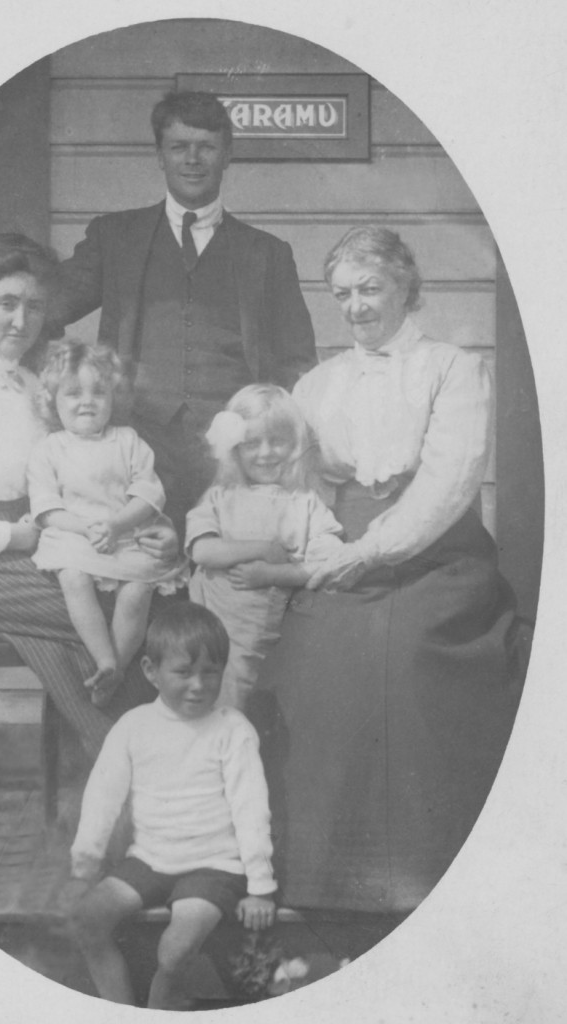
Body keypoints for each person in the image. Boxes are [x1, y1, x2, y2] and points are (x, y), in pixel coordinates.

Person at [250, 226, 522, 916]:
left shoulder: (453, 368)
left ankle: (429, 874)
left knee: (409, 659)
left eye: (370, 289)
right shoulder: (318, 383)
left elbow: (449, 484)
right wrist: (325, 544)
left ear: (405, 286)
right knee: (317, 659)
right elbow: (299, 483)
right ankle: (323, 881)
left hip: (438, 558)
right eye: (342, 294)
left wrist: (369, 552)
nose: (357, 307)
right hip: (342, 550)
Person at [0, 234, 177, 764]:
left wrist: (137, 526)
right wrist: (13, 536)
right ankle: (144, 775)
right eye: (7, 303)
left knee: (83, 626)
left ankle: (117, 770)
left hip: (35, 549)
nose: (22, 321)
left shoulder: (35, 387)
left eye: (35, 306)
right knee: (114, 605)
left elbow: (78, 481)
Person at [54, 90, 316, 535]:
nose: (192, 159)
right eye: (179, 147)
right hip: (137, 440)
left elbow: (298, 360)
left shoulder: (267, 254)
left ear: (227, 155)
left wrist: (262, 431)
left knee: (224, 569)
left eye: (206, 147)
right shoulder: (117, 237)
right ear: (160, 155)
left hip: (234, 448)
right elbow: (47, 305)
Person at [63, 602, 277, 1010]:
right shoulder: (133, 727)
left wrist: (261, 888)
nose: (198, 685)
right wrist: (84, 865)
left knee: (175, 949)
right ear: (150, 671)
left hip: (214, 865)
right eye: (183, 672)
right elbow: (102, 799)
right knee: (86, 919)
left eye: (210, 672)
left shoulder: (232, 730)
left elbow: (252, 809)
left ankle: (163, 1002)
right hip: (149, 859)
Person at [28, 338, 186, 708]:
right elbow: (46, 507)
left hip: (125, 534)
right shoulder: (50, 448)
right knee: (74, 577)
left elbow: (148, 494)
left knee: (139, 589)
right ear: (53, 401)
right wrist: (85, 529)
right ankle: (105, 658)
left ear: (114, 397)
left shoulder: (127, 441)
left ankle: (119, 664)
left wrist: (116, 525)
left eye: (99, 391)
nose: (87, 401)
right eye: (72, 393)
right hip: (74, 536)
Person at [185, 383, 343, 710]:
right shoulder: (220, 496)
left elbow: (327, 563)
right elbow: (202, 552)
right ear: (234, 449)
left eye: (278, 441)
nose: (265, 453)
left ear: (295, 446)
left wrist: (271, 573)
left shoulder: (305, 503)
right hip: (211, 625)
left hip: (261, 633)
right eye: (252, 443)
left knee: (242, 694)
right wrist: (262, 547)